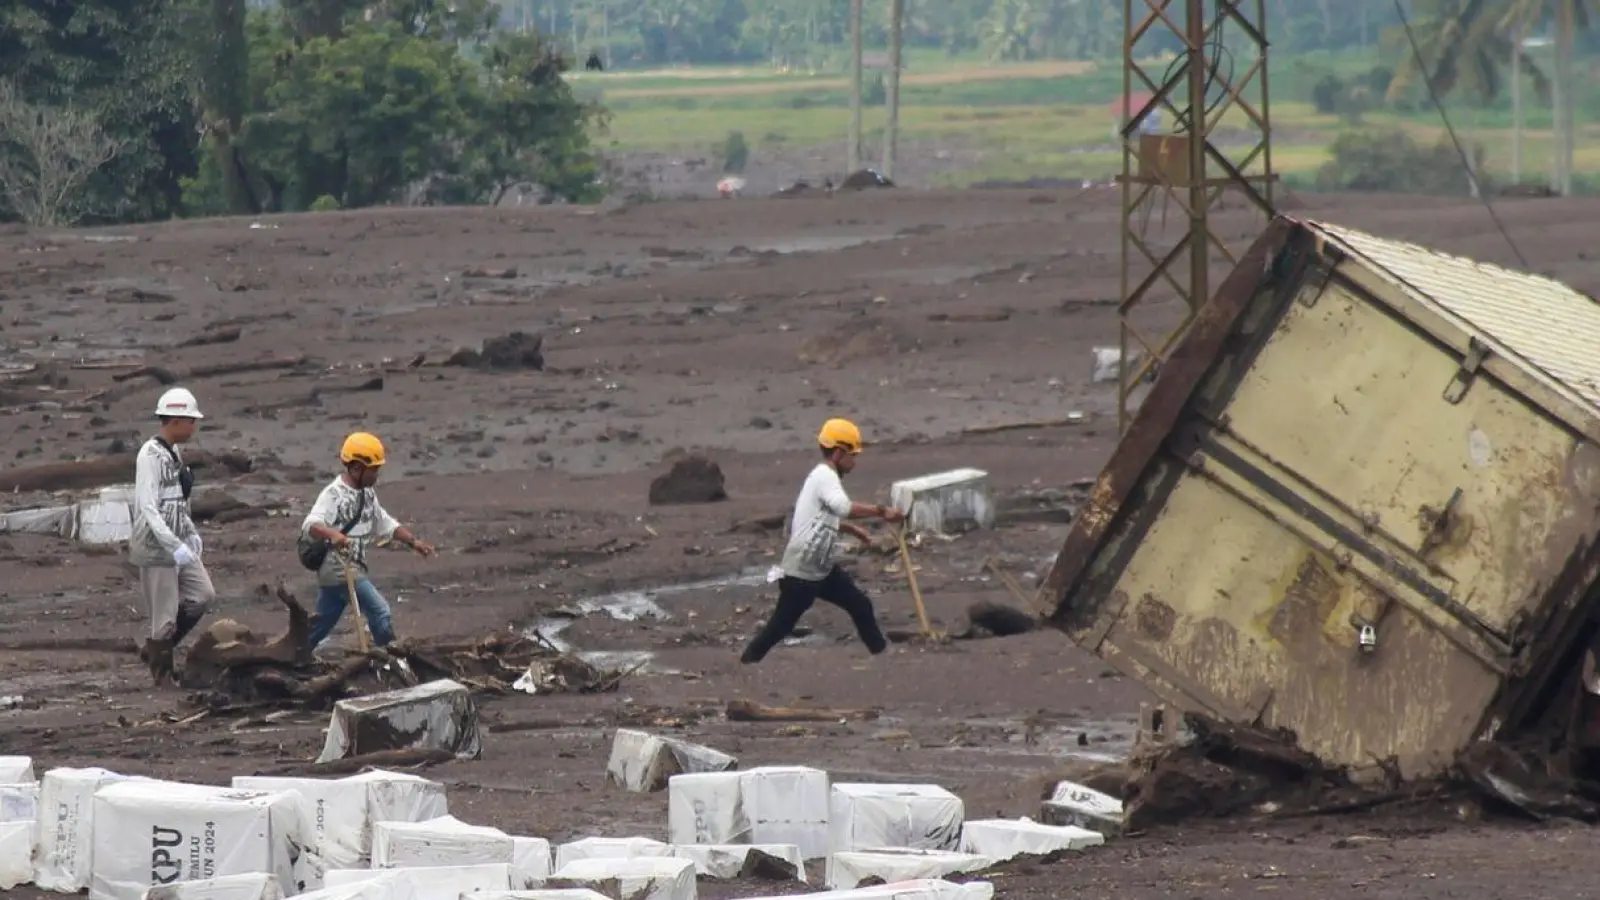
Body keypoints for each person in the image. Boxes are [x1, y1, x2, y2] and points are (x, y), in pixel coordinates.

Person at [740, 417, 905, 664]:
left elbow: (819, 516)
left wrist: (851, 530)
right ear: (839, 453)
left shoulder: (824, 478)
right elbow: (843, 507)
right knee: (780, 626)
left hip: (822, 568)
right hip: (802, 571)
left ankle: (882, 655)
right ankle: (747, 663)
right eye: (853, 455)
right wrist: (882, 511)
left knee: (860, 605)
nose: (855, 462)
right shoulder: (824, 476)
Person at [301, 431, 435, 651]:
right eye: (374, 470)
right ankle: (390, 657)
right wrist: (334, 535)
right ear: (356, 468)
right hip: (340, 567)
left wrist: (413, 542)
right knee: (380, 611)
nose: (377, 476)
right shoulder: (333, 494)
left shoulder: (367, 494)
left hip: (348, 569)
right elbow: (311, 524)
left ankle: (295, 654)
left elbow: (385, 522)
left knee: (321, 625)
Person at [131, 387, 214, 683]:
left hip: (178, 541)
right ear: (176, 420)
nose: (194, 426)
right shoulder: (149, 456)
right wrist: (172, 545)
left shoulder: (173, 453)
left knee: (202, 595)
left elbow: (178, 501)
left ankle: (156, 650)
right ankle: (162, 674)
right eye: (190, 420)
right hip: (156, 546)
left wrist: (190, 534)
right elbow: (148, 507)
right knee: (163, 616)